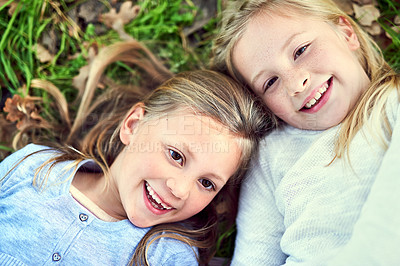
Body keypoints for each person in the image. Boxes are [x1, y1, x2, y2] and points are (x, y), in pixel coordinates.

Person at [0, 41, 269, 265]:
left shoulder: (167, 256)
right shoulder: (35, 166)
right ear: (133, 125)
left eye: (207, 183)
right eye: (176, 156)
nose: (180, 190)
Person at [211, 0, 400, 264]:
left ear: (346, 33)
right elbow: (254, 256)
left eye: (300, 50)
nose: (296, 84)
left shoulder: (393, 106)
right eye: (270, 82)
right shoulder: (270, 155)